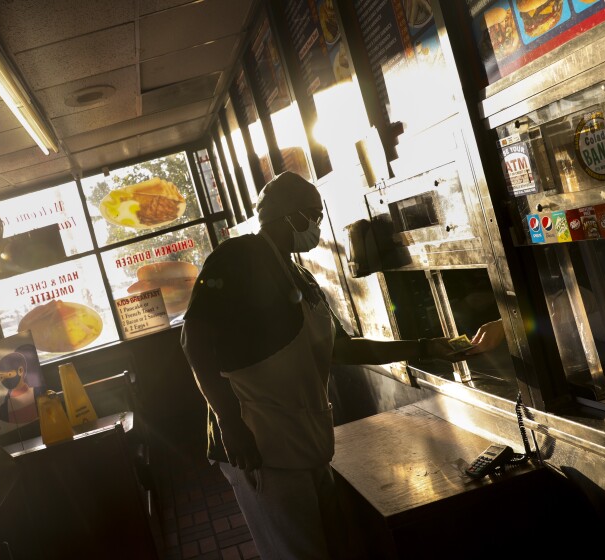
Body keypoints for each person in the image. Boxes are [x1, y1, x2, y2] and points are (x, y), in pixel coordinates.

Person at [180, 172, 462, 559]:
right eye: (313, 215)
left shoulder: (302, 276)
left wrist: (427, 346)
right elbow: (192, 341)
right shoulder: (237, 257)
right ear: (289, 216)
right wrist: (229, 421)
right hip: (258, 444)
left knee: (332, 547)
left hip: (306, 440)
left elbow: (343, 350)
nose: (317, 225)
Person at [0, 343, 45, 424]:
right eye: (1, 377)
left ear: (20, 371)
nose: (5, 379)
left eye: (9, 374)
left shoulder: (37, 393)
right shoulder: (4, 407)